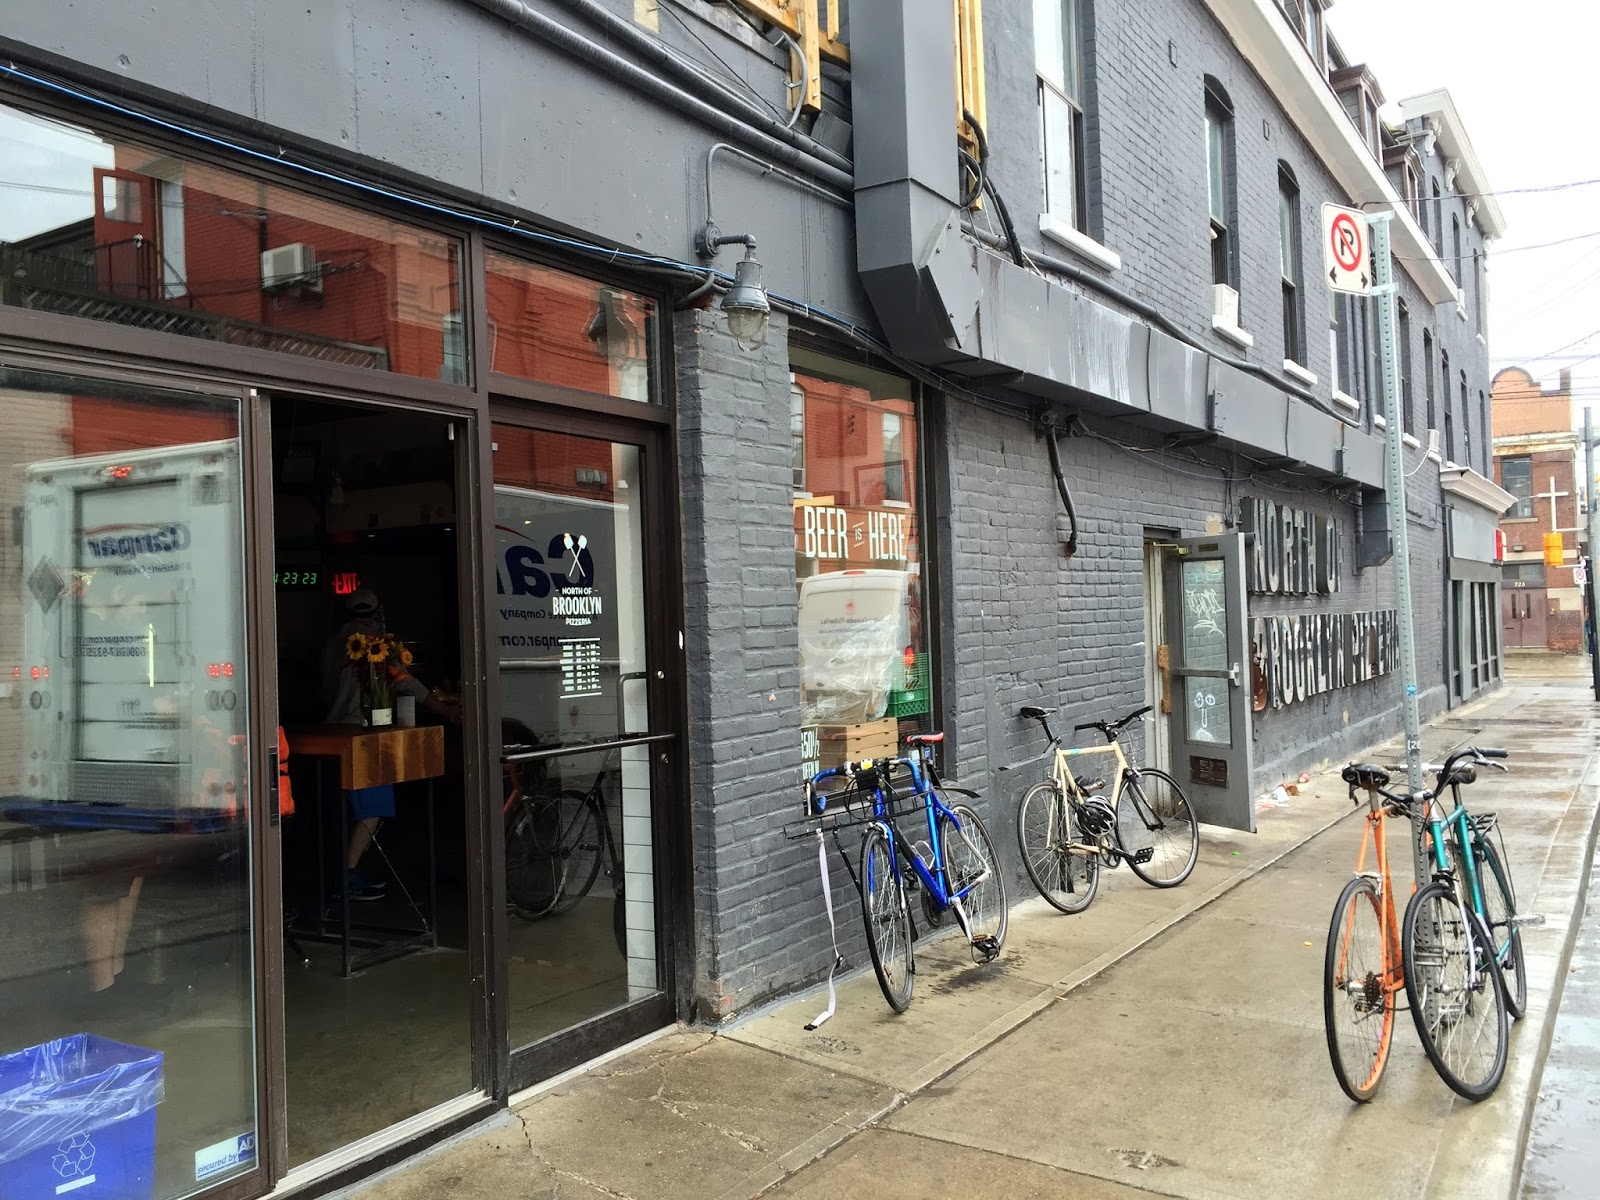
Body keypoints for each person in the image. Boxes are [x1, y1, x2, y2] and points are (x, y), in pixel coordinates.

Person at [320, 588, 457, 900]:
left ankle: (336, 875)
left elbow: (325, 687)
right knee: (374, 807)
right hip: (364, 735)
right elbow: (407, 683)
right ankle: (347, 876)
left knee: (338, 811)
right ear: (376, 613)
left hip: (330, 733)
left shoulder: (332, 643)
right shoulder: (377, 645)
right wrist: (445, 710)